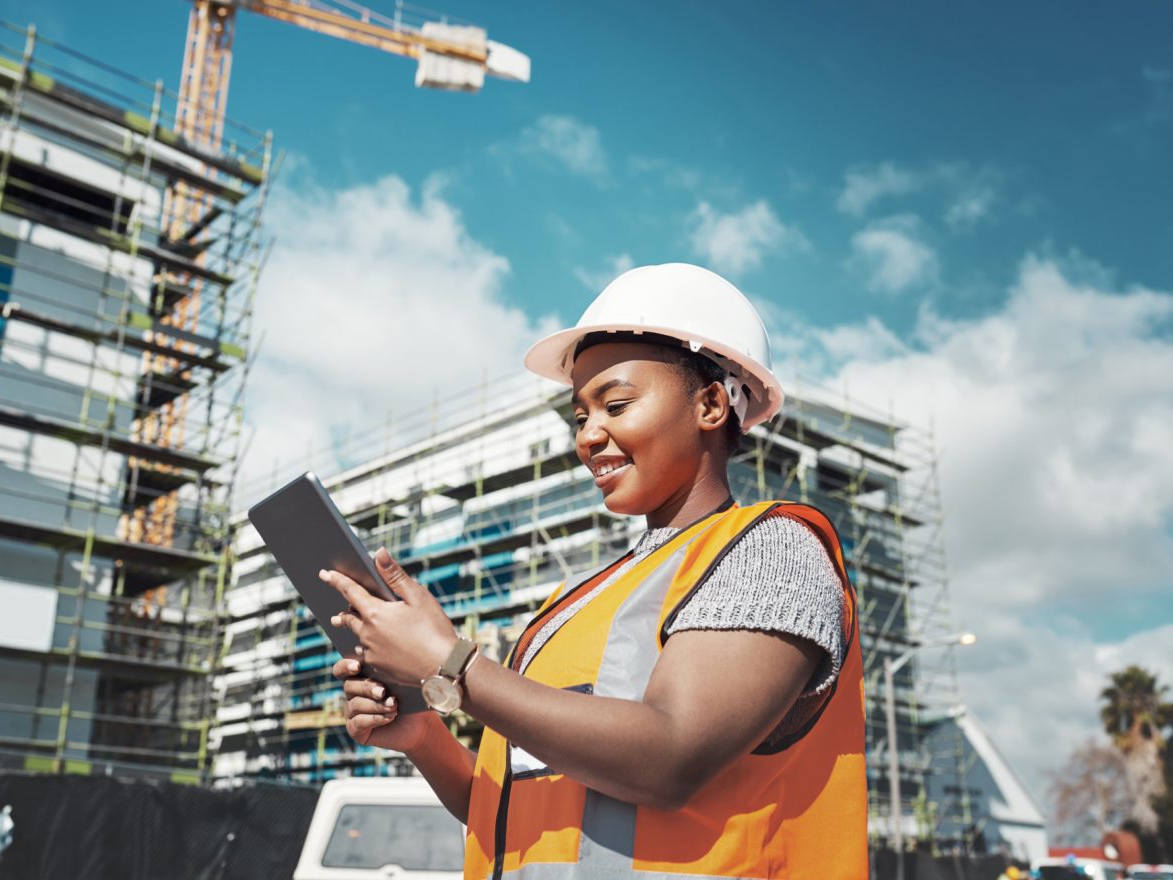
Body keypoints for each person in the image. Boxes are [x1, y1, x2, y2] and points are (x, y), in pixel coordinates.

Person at [322, 263, 868, 878]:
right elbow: (519, 811)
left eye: (616, 403)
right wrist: (423, 740)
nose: (589, 436)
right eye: (580, 416)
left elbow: (670, 757)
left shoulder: (775, 549)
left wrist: (451, 665)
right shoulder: (576, 604)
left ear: (712, 403)